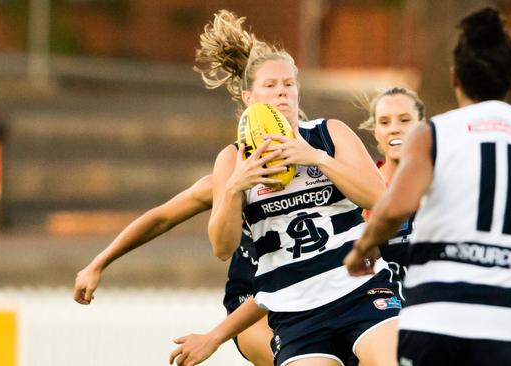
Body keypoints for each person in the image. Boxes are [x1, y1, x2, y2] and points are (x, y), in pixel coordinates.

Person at [344, 7, 511, 366]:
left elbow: (397, 206)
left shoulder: (433, 135)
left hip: (439, 317)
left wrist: (363, 248)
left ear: (455, 77)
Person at [170, 9, 400, 366]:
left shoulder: (329, 134)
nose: (282, 93)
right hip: (296, 315)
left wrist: (318, 159)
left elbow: (383, 203)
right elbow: (221, 247)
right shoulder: (232, 162)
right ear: (249, 98)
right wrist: (234, 189)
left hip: (361, 291)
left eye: (289, 85)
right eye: (271, 86)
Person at [72, 175, 273, 366]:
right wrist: (97, 264)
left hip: (296, 293)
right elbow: (162, 217)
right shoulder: (229, 184)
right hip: (251, 301)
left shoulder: (304, 183)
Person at [357, 86, 426, 275]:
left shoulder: (441, 181)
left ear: (422, 125)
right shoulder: (359, 188)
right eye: (385, 122)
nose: (394, 129)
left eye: (404, 120)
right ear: (375, 131)